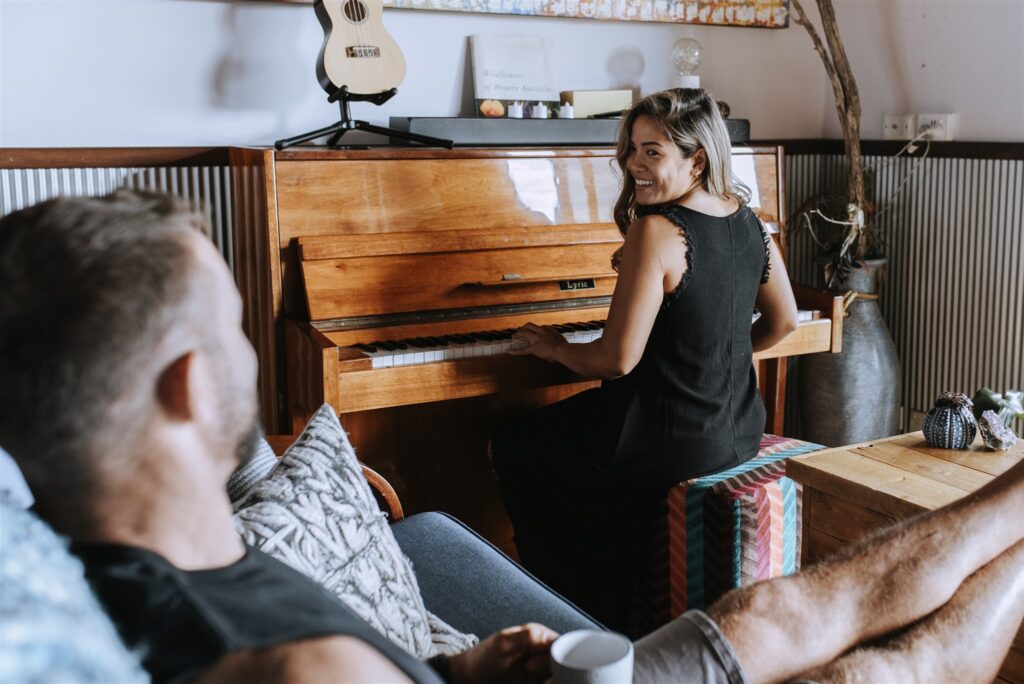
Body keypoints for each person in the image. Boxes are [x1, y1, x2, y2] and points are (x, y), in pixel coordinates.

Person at [1, 192, 1022, 684]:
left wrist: (462, 668)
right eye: (233, 327)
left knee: (779, 610)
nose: (249, 352)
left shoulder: (113, 569)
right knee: (865, 666)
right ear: (187, 386)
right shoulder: (300, 673)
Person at [491, 88, 799, 633]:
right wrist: (717, 356)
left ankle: (569, 606)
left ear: (696, 159)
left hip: (669, 440)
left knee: (516, 443)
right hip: (739, 429)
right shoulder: (754, 224)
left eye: (652, 152)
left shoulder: (656, 231)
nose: (634, 164)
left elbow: (615, 360)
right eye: (632, 149)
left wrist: (554, 347)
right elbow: (784, 323)